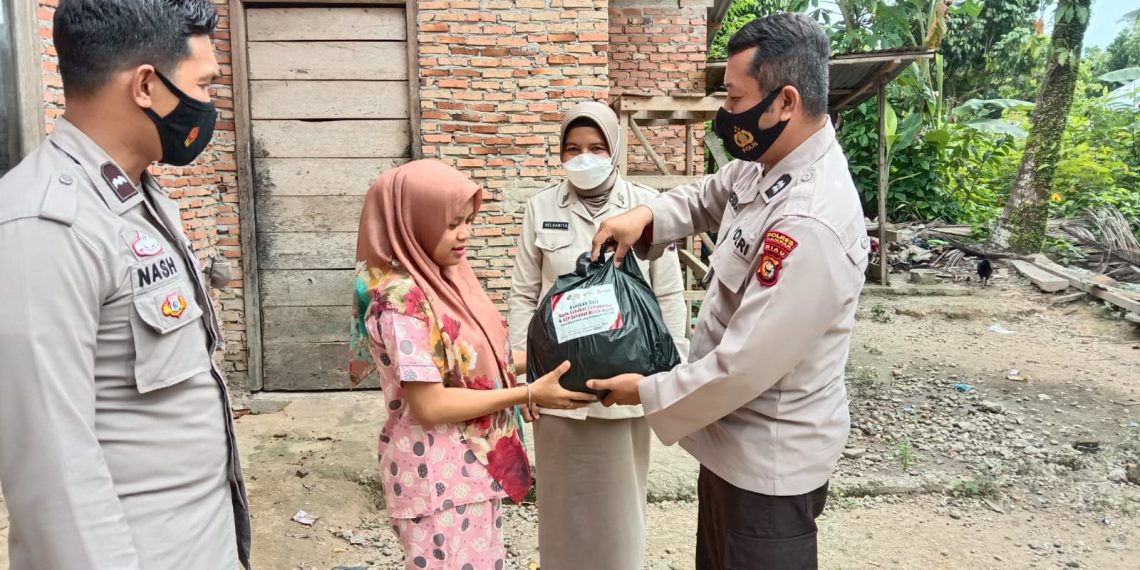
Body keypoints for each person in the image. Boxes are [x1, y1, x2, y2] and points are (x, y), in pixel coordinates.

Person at [587, 14, 871, 570]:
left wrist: (645, 392)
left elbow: (742, 366)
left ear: (784, 102)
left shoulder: (811, 223)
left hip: (768, 468)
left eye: (735, 98)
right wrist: (645, 215)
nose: (725, 115)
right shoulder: (766, 162)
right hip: (729, 445)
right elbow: (705, 197)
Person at [0, 1, 250, 568]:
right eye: (204, 84)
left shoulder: (138, 200)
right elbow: (52, 471)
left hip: (200, 542)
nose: (208, 105)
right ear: (145, 86)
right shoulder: (45, 225)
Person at [349, 159, 597, 570]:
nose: (465, 234)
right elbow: (430, 404)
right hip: (436, 477)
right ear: (414, 222)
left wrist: (553, 365)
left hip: (471, 467)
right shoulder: (401, 301)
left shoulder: (446, 281)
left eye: (468, 220)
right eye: (451, 224)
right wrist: (529, 392)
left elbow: (480, 365)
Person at [506, 101, 689, 570]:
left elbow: (669, 295)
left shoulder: (644, 207)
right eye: (572, 148)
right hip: (558, 388)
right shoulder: (541, 207)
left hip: (624, 387)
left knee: (620, 515)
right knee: (562, 512)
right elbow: (525, 296)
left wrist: (669, 377)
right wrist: (522, 380)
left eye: (595, 147)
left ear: (615, 149)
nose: (583, 157)